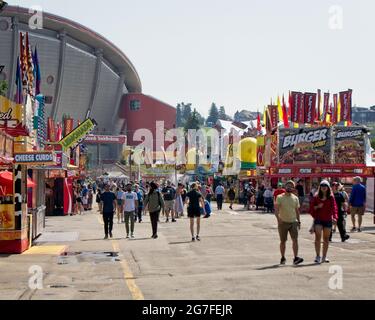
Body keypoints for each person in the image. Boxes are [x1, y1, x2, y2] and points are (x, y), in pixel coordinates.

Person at [275, 180, 304, 266]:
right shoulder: (280, 197)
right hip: (283, 222)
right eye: (288, 185)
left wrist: (299, 221)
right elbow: (276, 210)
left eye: (291, 186)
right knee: (283, 241)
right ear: (285, 186)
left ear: (293, 188)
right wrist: (278, 219)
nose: (289, 187)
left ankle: (295, 258)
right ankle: (283, 257)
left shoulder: (295, 198)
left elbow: (297, 211)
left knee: (295, 240)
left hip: (293, 222)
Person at [310, 180, 338, 264]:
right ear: (320, 187)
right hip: (318, 219)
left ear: (328, 187)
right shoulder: (316, 196)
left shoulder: (331, 197)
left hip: (328, 220)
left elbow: (334, 208)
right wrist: (317, 206)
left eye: (325, 186)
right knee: (317, 238)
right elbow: (311, 209)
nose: (324, 187)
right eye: (322, 186)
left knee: (326, 239)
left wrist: (335, 217)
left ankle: (324, 256)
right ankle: (318, 256)